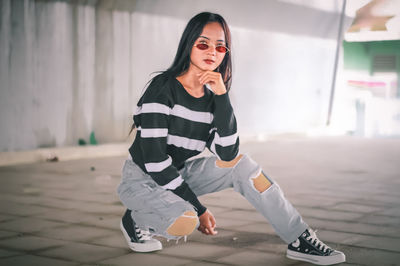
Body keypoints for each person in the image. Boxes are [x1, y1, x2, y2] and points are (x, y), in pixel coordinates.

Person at [117, 11, 346, 265]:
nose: (212, 52)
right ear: (188, 44)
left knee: (243, 166)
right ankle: (135, 219)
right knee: (186, 220)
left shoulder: (213, 96)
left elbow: (227, 153)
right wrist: (199, 209)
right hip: (142, 180)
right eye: (203, 44)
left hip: (179, 174)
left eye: (221, 47)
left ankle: (299, 237)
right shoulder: (162, 88)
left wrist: (222, 97)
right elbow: (156, 162)